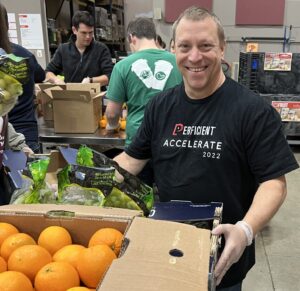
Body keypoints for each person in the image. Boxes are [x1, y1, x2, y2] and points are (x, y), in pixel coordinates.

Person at [112, 6, 299, 290]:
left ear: (222, 49)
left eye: (206, 46)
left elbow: (274, 183)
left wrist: (245, 231)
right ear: (173, 48)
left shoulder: (253, 111)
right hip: (167, 245)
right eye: (185, 46)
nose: (195, 56)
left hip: (223, 254)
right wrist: (89, 181)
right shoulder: (160, 106)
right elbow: (132, 161)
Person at [105, 17, 182, 185]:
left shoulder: (123, 66)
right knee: (170, 198)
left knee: (139, 196)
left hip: (138, 145)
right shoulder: (178, 62)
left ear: (132, 38)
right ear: (154, 36)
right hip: (173, 141)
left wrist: (113, 125)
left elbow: (112, 112)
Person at [0, 3, 46, 153]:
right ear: (6, 25)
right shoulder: (23, 56)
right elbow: (41, 75)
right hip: (25, 133)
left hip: (12, 137)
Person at [45, 10, 113, 86]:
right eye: (84, 33)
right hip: (71, 95)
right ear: (74, 30)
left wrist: (91, 81)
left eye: (90, 32)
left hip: (95, 95)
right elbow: (48, 72)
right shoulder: (63, 49)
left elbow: (110, 76)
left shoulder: (101, 49)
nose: (88, 37)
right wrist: (56, 80)